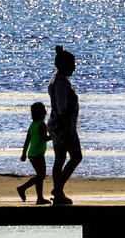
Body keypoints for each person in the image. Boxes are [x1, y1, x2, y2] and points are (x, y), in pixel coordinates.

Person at [47, 44, 83, 205]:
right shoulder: (61, 83)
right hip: (63, 126)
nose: (74, 68)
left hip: (55, 125)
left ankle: (58, 193)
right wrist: (67, 130)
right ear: (64, 65)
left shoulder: (57, 80)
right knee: (76, 157)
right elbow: (62, 107)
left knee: (60, 158)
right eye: (72, 65)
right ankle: (58, 188)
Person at [16, 101, 51, 204]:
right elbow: (44, 138)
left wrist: (24, 153)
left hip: (32, 153)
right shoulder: (42, 125)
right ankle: (23, 188)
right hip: (38, 154)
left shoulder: (32, 125)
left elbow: (27, 140)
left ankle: (40, 198)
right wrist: (54, 136)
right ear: (43, 113)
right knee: (41, 176)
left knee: (39, 175)